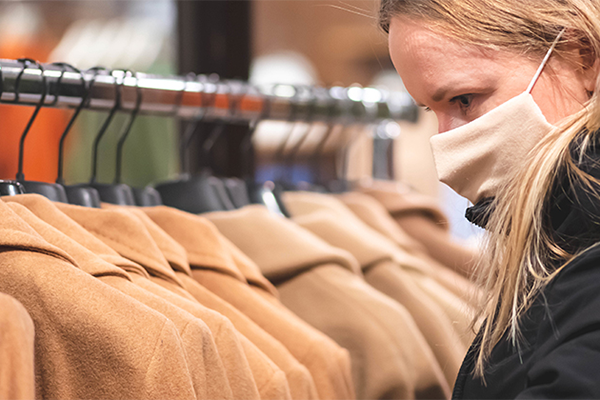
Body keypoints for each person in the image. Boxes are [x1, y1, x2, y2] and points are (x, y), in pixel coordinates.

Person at [379, 0, 600, 398]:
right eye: (431, 109)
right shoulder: (559, 247)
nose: (447, 140)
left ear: (582, 56)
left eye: (464, 99)